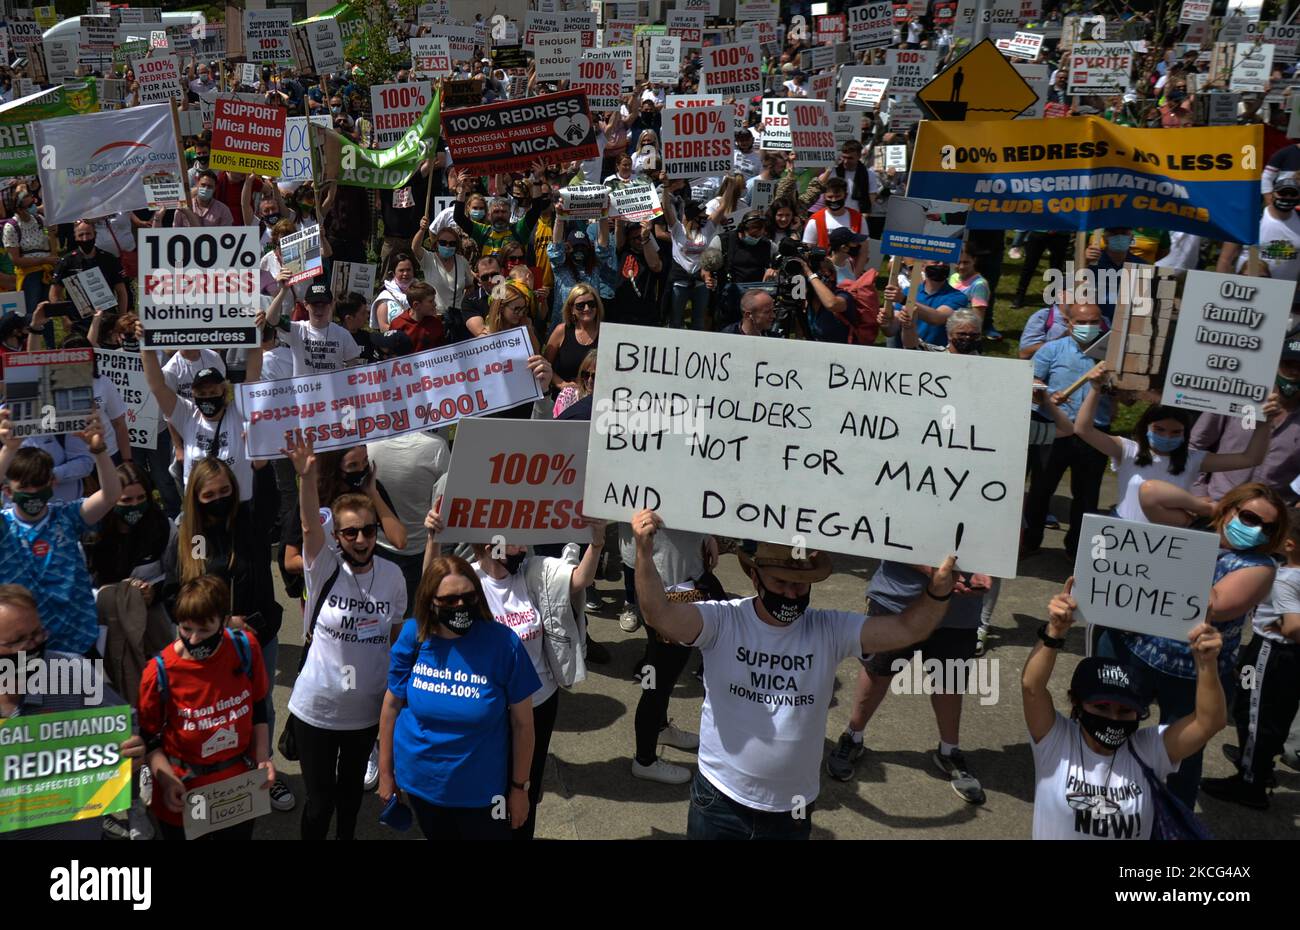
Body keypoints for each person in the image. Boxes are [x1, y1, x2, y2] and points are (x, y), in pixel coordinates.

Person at [631, 507, 960, 839]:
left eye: (800, 585)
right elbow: (659, 613)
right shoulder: (723, 621)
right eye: (781, 582)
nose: (791, 593)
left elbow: (909, 628)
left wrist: (937, 591)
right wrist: (644, 552)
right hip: (719, 801)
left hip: (791, 810)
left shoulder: (829, 629)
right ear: (755, 577)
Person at [1097, 482, 1285, 808]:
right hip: (1137, 649)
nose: (1257, 531)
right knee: (1107, 726)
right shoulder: (1195, 528)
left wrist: (1170, 549)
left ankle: (1173, 819)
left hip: (1191, 672)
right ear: (1230, 510)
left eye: (1268, 528)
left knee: (1181, 756)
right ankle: (1100, 793)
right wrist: (1208, 511)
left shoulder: (1260, 567)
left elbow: (1213, 604)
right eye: (1250, 518)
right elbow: (1149, 493)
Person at [424, 504, 604, 839]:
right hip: (492, 710)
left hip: (539, 703)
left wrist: (597, 542)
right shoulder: (468, 581)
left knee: (525, 787)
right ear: (491, 543)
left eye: (525, 542)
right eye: (517, 543)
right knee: (492, 788)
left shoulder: (533, 572)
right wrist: (433, 539)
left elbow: (580, 580)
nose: (523, 549)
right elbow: (430, 595)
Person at [1022, 578, 1227, 840]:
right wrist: (1054, 631)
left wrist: (1206, 661)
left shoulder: (1149, 750)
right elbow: (1031, 687)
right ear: (1077, 703)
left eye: (1125, 711)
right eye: (1101, 707)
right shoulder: (1057, 742)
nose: (1113, 717)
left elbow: (1209, 722)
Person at [283, 438, 406, 840]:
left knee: (351, 797)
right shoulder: (322, 567)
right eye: (349, 532)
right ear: (335, 536)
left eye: (368, 531)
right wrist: (305, 478)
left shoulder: (393, 577)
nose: (360, 539)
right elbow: (305, 526)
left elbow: (392, 640)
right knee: (319, 804)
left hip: (365, 712)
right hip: (316, 709)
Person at [378, 554, 540, 840]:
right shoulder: (414, 636)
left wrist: (520, 789)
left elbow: (524, 725)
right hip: (421, 786)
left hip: (482, 795)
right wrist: (387, 773)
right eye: (450, 601)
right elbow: (391, 706)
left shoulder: (503, 644)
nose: (461, 606)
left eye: (468, 597)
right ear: (431, 601)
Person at [161, 457, 291, 811]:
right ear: (195, 497)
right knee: (217, 714)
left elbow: (271, 503)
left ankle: (264, 772)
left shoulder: (251, 522)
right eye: (209, 494)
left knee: (261, 707)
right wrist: (220, 622)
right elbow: (173, 595)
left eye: (225, 491)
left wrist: (263, 469)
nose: (218, 498)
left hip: (260, 638)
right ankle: (216, 777)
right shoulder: (186, 535)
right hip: (209, 647)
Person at [826, 560, 992, 803]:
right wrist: (938, 573)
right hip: (897, 600)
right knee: (878, 672)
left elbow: (1006, 539)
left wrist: (991, 569)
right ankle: (852, 736)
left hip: (961, 610)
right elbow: (890, 531)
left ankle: (949, 751)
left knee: (950, 681)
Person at [0, 584, 146, 840]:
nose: (32, 647)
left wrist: (131, 747)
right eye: (18, 641)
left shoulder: (74, 670)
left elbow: (126, 724)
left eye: (36, 635)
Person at [138, 575, 274, 840]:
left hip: (238, 787)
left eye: (204, 629)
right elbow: (148, 737)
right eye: (186, 629)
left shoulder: (246, 648)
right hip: (183, 791)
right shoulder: (159, 672)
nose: (195, 639)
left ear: (224, 622)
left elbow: (258, 705)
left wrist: (262, 757)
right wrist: (164, 778)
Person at [1071, 363, 1278, 523]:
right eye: (1159, 430)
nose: (1167, 436)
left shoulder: (1193, 459)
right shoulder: (1127, 450)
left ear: (1185, 434)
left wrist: (1264, 423)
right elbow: (1083, 429)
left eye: (1175, 432)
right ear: (1146, 428)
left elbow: (1250, 458)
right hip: (1123, 530)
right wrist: (1095, 390)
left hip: (1168, 539)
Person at [0, 407, 121, 655]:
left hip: (77, 643)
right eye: (25, 487)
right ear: (8, 491)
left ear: (52, 484)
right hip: (21, 649)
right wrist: (9, 449)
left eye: (39, 485)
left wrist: (99, 450)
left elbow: (111, 496)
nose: (33, 493)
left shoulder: (66, 516)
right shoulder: (4, 526)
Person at [1203, 518, 1300, 808]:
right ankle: (1256, 760)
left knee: (1253, 711)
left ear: (1289, 544)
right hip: (1270, 658)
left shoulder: (1284, 579)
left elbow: (1294, 627)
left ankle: (1251, 781)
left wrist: (1283, 627)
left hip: (1269, 654)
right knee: (1264, 708)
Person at [1021, 303, 1113, 559]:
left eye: (1094, 322)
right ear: (1068, 323)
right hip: (1055, 431)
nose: (1089, 327)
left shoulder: (1111, 356)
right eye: (1082, 323)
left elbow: (1127, 396)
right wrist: (1048, 395)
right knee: (1041, 488)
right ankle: (1030, 540)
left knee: (1087, 494)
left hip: (1094, 433)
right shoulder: (1051, 350)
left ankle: (1076, 549)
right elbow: (1033, 384)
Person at [140, 322, 262, 505]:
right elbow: (157, 385)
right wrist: (145, 344)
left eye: (213, 393)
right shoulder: (188, 415)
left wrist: (256, 335)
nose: (208, 397)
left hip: (237, 505)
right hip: (200, 509)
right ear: (193, 395)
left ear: (224, 391)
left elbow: (252, 376)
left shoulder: (236, 410)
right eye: (202, 394)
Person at [1190, 334, 1300, 506]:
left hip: (1273, 516)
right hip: (1218, 504)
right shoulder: (1237, 397)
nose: (1294, 372)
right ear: (1275, 366)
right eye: (1288, 365)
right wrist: (1198, 492)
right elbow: (1196, 445)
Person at [480, 280, 554, 419]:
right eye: (516, 309)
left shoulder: (526, 328)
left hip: (522, 399)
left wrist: (529, 331)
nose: (521, 314)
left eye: (524, 309)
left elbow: (536, 355)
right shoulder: (485, 337)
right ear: (501, 307)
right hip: (495, 403)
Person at [268, 282, 363, 375]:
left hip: (332, 390)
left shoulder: (342, 334)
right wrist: (283, 291)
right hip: (304, 390)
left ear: (331, 305)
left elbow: (353, 367)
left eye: (324, 305)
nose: (319, 310)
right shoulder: (297, 329)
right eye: (315, 305)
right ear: (306, 305)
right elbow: (271, 319)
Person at [882, 259, 971, 348]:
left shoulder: (958, 297)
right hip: (910, 351)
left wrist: (904, 300)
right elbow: (891, 330)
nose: (941, 264)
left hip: (939, 354)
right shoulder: (908, 292)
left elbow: (937, 318)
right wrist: (886, 322)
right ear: (923, 266)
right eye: (936, 262)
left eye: (945, 262)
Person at [49, 220, 129, 319]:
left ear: (95, 234)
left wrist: (121, 319)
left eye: (88, 234)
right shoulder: (67, 261)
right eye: (81, 235)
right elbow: (54, 294)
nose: (85, 238)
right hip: (78, 321)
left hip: (107, 318)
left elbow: (121, 292)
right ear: (75, 237)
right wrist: (65, 319)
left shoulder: (109, 259)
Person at [661, 194, 717, 330]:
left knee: (698, 322)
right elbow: (667, 207)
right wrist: (666, 187)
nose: (706, 218)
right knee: (676, 321)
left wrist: (731, 183)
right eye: (703, 216)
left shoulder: (706, 230)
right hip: (679, 282)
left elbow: (723, 206)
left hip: (700, 283)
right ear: (693, 216)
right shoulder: (677, 229)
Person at [411, 217, 472, 325]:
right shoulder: (429, 258)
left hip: (456, 318)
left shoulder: (462, 261)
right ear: (436, 243)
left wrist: (464, 304)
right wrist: (422, 229)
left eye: (452, 243)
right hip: (433, 316)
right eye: (443, 242)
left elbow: (470, 286)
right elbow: (415, 248)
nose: (447, 246)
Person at [544, 284, 601, 395]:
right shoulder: (561, 331)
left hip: (595, 399)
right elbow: (546, 364)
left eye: (591, 304)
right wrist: (561, 384)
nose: (587, 308)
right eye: (580, 305)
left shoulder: (606, 333)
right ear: (572, 309)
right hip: (563, 397)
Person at [387, 280, 445, 352]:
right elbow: (392, 354)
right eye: (431, 301)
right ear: (416, 305)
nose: (435, 304)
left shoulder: (436, 323)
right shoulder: (398, 325)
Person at [370, 252, 417, 332]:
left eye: (408, 270)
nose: (405, 273)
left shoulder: (422, 292)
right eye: (401, 270)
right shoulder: (385, 297)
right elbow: (383, 327)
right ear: (393, 272)